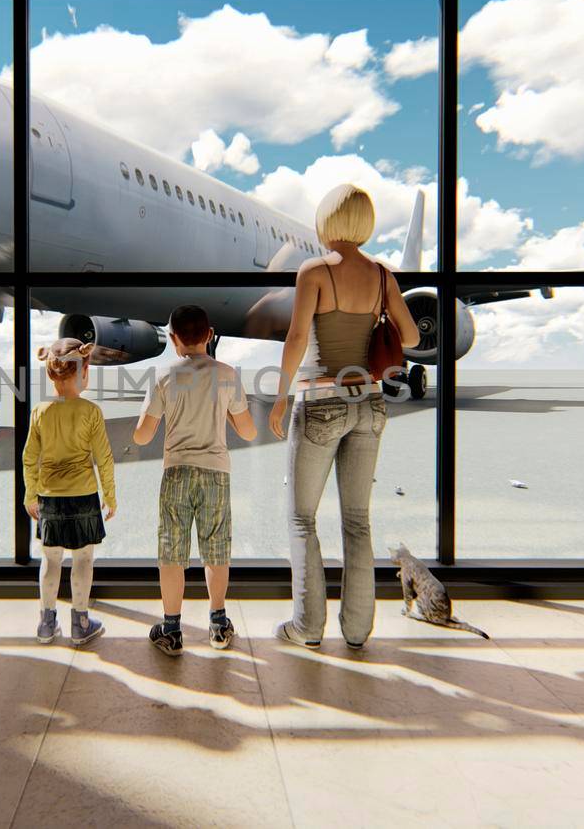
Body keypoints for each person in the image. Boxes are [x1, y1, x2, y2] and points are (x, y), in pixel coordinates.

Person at [267, 184, 420, 651]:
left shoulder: (314, 271)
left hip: (320, 401)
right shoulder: (382, 275)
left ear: (328, 221)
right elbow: (411, 337)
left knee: (302, 518)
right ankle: (357, 632)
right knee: (357, 520)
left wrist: (279, 395)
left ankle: (307, 628)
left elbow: (296, 338)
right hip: (370, 405)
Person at [133, 305, 256, 655]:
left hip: (176, 472)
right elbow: (247, 431)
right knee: (216, 549)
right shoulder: (227, 375)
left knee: (172, 552)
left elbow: (142, 436)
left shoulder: (163, 376)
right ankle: (218, 624)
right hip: (216, 472)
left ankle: (171, 629)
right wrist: (227, 417)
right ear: (209, 334)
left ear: (173, 339)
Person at [23, 339, 115, 646]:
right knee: (83, 559)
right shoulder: (91, 411)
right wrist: (110, 496)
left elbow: (29, 458)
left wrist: (30, 495)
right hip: (84, 496)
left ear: (51, 373)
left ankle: (46, 624)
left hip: (49, 497)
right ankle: (81, 622)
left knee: (50, 561)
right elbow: (103, 458)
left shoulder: (40, 411)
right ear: (84, 371)